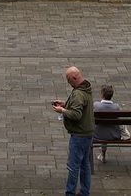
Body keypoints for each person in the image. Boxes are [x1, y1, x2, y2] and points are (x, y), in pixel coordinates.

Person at [52, 65, 94, 196]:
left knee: (73, 166)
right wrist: (66, 103)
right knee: (85, 164)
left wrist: (62, 110)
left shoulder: (78, 94)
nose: (69, 84)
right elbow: (80, 106)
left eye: (69, 81)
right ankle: (84, 191)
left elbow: (76, 115)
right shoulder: (86, 88)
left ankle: (70, 193)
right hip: (88, 132)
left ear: (75, 78)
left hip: (79, 135)